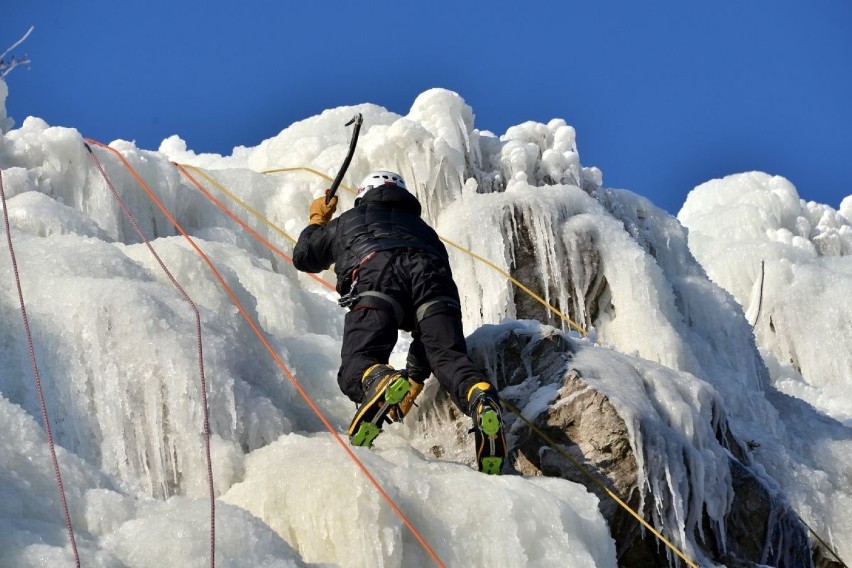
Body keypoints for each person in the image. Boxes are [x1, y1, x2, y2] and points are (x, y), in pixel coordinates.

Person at [293, 170, 507, 474]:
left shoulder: (350, 219)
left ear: (363, 193)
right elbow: (429, 340)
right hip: (434, 278)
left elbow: (304, 256)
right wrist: (415, 379)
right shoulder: (424, 230)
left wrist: (318, 219)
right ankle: (480, 396)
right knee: (449, 357)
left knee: (359, 362)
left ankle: (377, 379)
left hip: (377, 273)